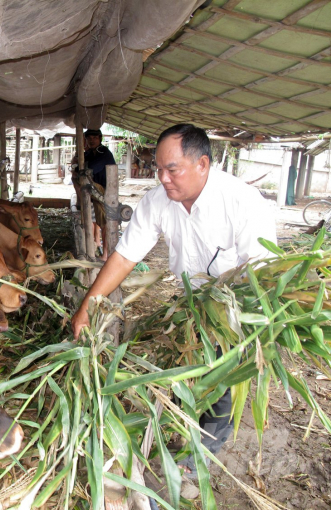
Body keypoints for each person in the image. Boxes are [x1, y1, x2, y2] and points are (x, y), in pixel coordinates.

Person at [71, 123, 277, 498]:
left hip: (235, 311)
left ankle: (194, 462)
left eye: (172, 169)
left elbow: (263, 274)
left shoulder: (243, 202)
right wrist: (87, 307)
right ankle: (181, 436)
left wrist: (249, 330)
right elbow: (125, 256)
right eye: (158, 169)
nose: (162, 178)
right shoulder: (157, 201)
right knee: (183, 374)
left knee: (223, 389)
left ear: (202, 163)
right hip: (189, 305)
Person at [71, 128, 117, 257]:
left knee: (106, 224)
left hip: (105, 192)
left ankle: (106, 255)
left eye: (94, 138)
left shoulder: (104, 153)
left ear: (100, 139)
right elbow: (77, 166)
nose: (91, 140)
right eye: (89, 138)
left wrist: (79, 167)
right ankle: (97, 246)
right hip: (94, 191)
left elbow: (87, 169)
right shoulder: (91, 153)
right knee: (97, 221)